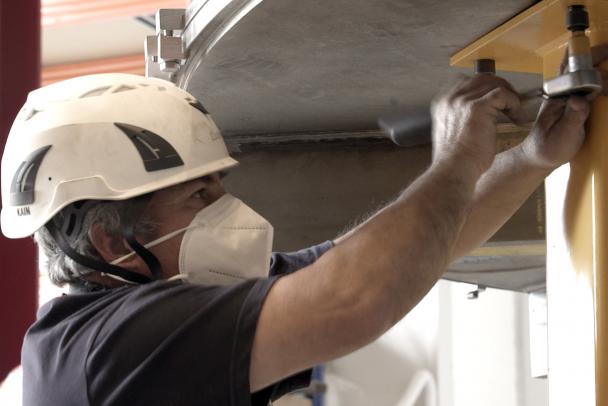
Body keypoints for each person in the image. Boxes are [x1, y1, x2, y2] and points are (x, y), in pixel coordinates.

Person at [1, 47, 606, 406]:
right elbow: (355, 298)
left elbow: (396, 256)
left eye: (221, 187)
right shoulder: (107, 347)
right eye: (198, 196)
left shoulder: (148, 316)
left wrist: (531, 158)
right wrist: (455, 159)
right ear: (112, 241)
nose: (227, 210)